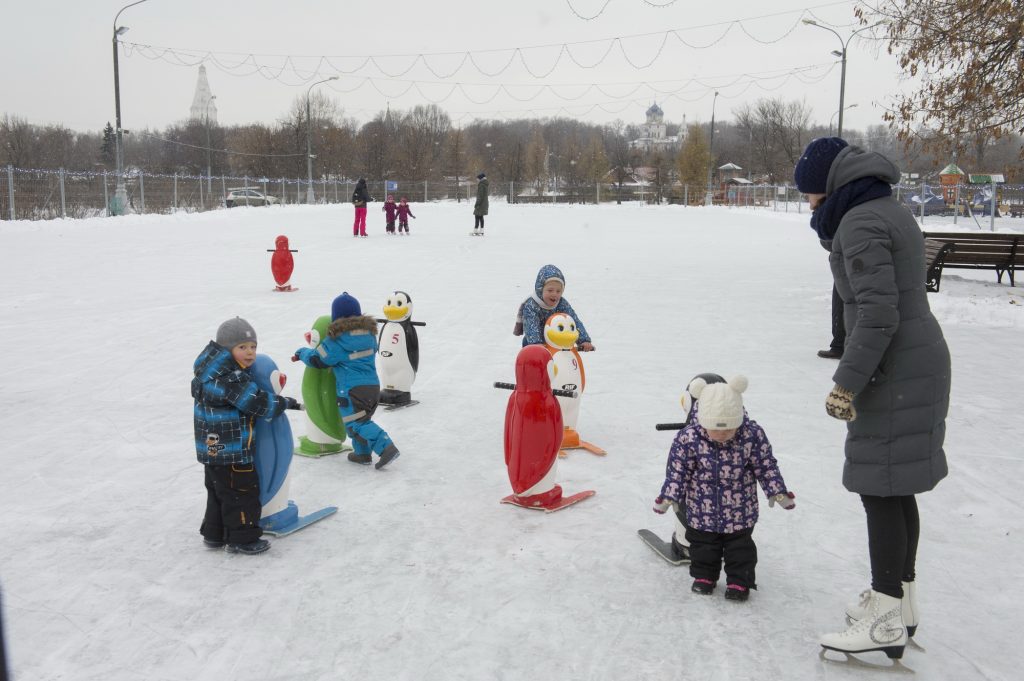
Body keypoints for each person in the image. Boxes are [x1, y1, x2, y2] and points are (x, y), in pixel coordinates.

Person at [794, 137, 950, 660]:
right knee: (896, 486)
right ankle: (900, 604)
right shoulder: (885, 207)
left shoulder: (859, 224)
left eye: (811, 196)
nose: (810, 207)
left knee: (880, 488)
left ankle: (884, 614)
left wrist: (847, 382)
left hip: (894, 367)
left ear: (828, 187)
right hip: (914, 360)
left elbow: (877, 315)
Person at [653, 375, 794, 602]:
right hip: (701, 510)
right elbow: (678, 471)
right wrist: (669, 497)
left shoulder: (751, 435)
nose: (721, 435)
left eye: (729, 429)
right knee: (703, 548)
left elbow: (765, 465)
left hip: (740, 510)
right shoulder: (689, 438)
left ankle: (739, 581)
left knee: (740, 550)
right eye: (715, 430)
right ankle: (704, 577)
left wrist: (778, 491)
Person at [192, 317, 301, 555]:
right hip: (232, 449)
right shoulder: (232, 377)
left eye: (253, 347)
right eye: (242, 347)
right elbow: (258, 403)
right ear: (226, 348)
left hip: (210, 448)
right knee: (242, 493)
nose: (250, 353)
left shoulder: (206, 371)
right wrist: (287, 403)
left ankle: (214, 534)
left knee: (218, 492)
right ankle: (243, 538)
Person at [295, 292, 401, 469]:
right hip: (372, 387)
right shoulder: (369, 335)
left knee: (357, 422)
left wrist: (301, 353)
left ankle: (386, 447)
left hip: (352, 390)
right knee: (356, 422)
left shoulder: (337, 340)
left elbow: (318, 359)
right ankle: (362, 454)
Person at [514, 264, 594, 351]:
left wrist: (584, 340)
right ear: (540, 289)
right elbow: (531, 325)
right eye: (550, 290)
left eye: (558, 291)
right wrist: (536, 343)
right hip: (535, 346)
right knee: (534, 355)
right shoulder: (532, 305)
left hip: (558, 343)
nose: (554, 294)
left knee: (565, 360)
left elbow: (573, 321)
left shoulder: (562, 304)